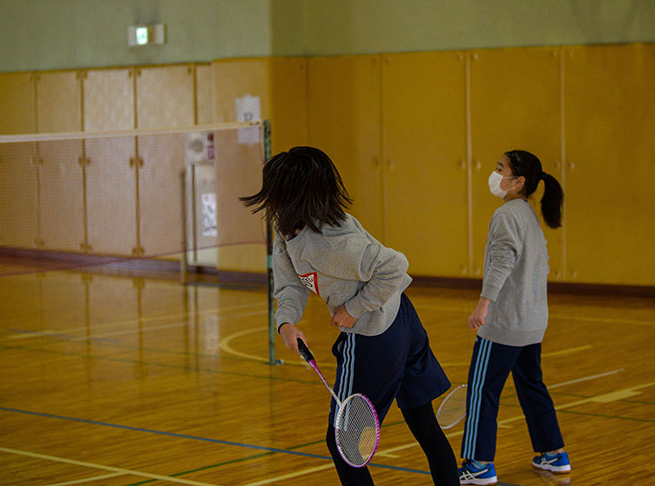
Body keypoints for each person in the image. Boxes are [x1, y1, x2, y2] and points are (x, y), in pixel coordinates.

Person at [241, 146, 459, 486]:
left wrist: (353, 309)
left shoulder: (331, 243)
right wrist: (286, 322)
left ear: (291, 194)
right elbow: (290, 283)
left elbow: (395, 266)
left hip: (376, 333)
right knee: (422, 422)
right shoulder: (285, 225)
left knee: (342, 443)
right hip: (401, 318)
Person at [458, 150, 570, 485]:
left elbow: (502, 261)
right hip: (531, 323)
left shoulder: (507, 214)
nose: (494, 174)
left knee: (482, 390)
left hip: (504, 325)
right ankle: (554, 454)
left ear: (518, 181)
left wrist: (484, 304)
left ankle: (478, 464)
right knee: (532, 386)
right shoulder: (527, 215)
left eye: (500, 168)